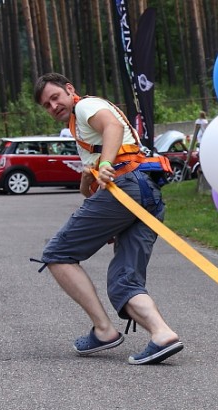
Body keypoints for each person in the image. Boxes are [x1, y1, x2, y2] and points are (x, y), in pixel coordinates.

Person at [33, 72, 183, 365]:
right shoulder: (81, 130)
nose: (54, 106)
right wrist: (91, 176)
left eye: (56, 97)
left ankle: (104, 331)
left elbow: (111, 126)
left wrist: (103, 165)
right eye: (46, 105)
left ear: (70, 89)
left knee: (58, 254)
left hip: (128, 187)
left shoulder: (85, 107)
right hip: (146, 191)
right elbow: (89, 184)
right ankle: (162, 334)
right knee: (123, 280)